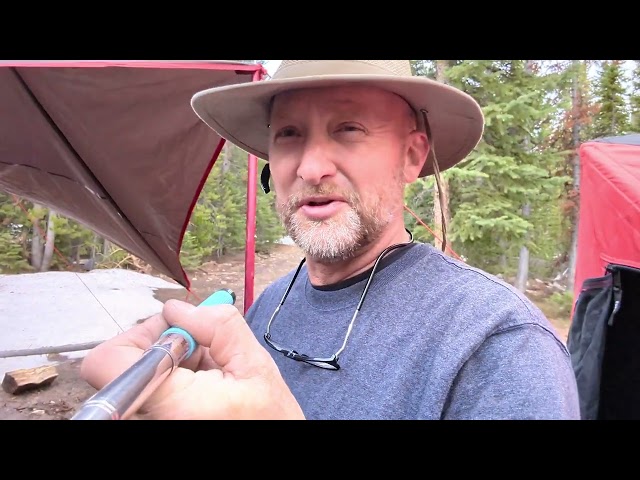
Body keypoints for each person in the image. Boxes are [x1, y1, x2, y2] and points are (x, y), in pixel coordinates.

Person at [79, 60, 581, 420]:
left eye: (348, 128)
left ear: (411, 156)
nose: (312, 167)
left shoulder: (496, 345)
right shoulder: (271, 305)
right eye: (290, 135)